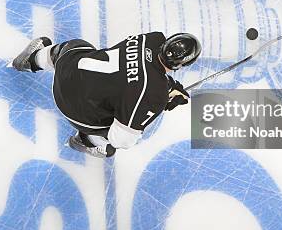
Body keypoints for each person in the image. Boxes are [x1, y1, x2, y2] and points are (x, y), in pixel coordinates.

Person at [11, 32, 201, 158]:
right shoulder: (153, 97)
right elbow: (122, 140)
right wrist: (157, 101)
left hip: (67, 73)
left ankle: (31, 59)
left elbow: (136, 71)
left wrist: (163, 88)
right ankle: (87, 141)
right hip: (75, 111)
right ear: (184, 65)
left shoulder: (151, 39)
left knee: (75, 46)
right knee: (120, 130)